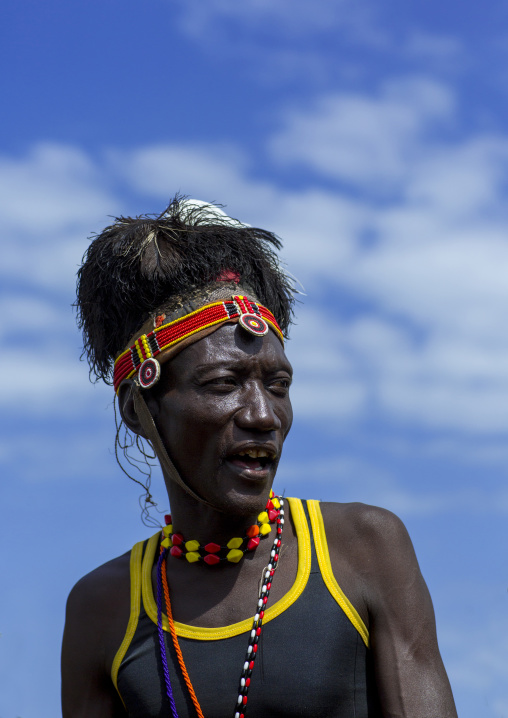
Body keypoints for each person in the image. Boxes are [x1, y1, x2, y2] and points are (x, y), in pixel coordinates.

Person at [62, 197, 458, 718]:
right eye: (224, 383)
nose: (263, 415)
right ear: (139, 409)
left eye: (278, 385)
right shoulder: (104, 608)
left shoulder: (364, 551)